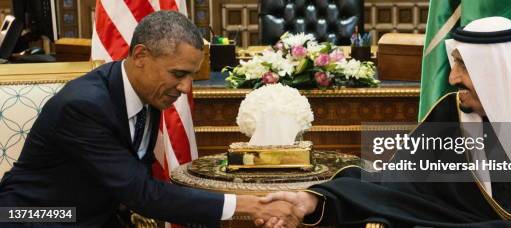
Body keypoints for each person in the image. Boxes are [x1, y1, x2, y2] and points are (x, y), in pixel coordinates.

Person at [258, 17, 511, 228]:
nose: (454, 78)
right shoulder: (453, 114)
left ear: (498, 73)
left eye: (465, 67)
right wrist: (314, 200)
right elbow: (394, 185)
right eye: (454, 64)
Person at [0, 11, 301, 227]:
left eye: (191, 76)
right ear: (141, 56)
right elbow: (141, 192)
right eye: (178, 74)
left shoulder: (149, 92)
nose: (185, 88)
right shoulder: (83, 106)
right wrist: (249, 205)